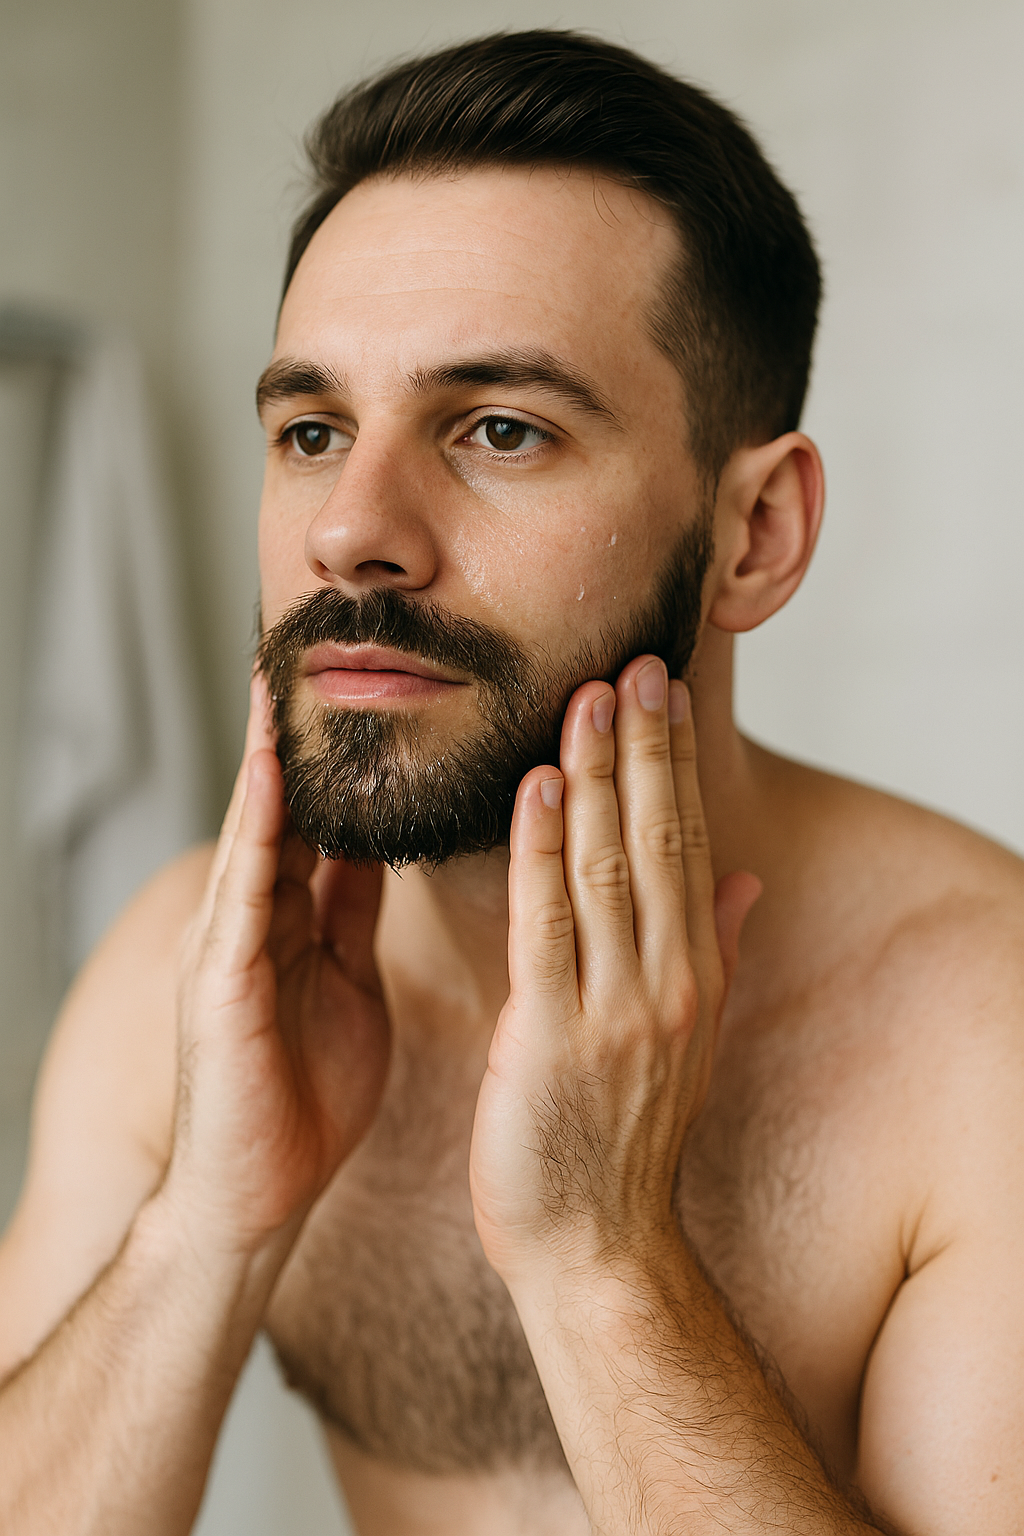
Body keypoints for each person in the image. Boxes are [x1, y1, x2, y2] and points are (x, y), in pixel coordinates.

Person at [0, 28, 1022, 1536]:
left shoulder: (981, 1038)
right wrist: (202, 1229)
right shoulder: (192, 979)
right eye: (314, 429)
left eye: (499, 429)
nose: (353, 530)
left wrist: (605, 1259)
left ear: (754, 536)